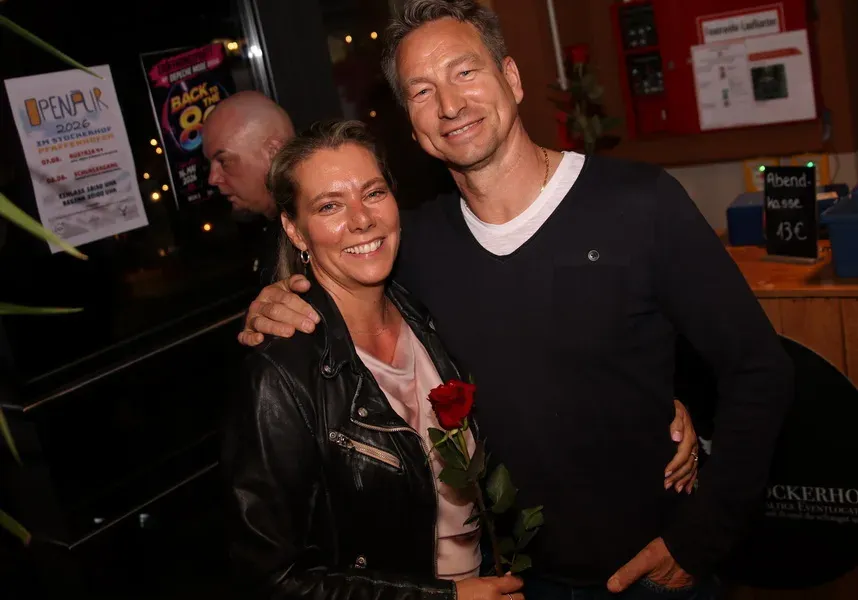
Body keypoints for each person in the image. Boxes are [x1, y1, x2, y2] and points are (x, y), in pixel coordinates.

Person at [237, 1, 794, 598]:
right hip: (514, 580)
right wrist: (279, 299)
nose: (450, 104)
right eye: (422, 91)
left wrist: (700, 537)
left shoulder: (640, 204)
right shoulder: (408, 247)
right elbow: (346, 298)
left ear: (512, 78)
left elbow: (758, 369)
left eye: (465, 71)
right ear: (411, 123)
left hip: (656, 571)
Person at [203, 90, 295, 283]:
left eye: (223, 161)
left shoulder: (318, 233)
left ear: (273, 153)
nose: (212, 178)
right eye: (210, 164)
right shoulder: (274, 234)